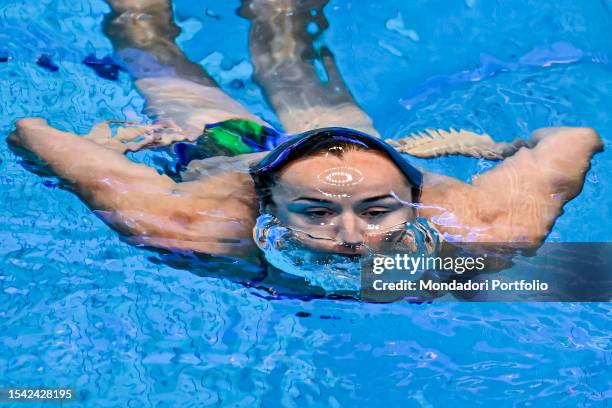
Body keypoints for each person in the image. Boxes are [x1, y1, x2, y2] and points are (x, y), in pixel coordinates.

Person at [7, 0, 603, 290]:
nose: (350, 238)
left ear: (412, 196)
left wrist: (498, 147)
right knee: (150, 47)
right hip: (226, 147)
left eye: (376, 211)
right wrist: (100, 152)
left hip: (367, 147)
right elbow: (29, 131)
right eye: (317, 213)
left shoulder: (488, 226)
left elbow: (577, 137)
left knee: (289, 31)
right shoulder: (190, 222)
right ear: (267, 209)